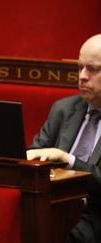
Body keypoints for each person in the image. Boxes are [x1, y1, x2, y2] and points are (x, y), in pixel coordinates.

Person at [26, 33, 101, 243]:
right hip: (53, 210)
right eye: (80, 67)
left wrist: (68, 160)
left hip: (94, 218)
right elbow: (35, 153)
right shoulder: (64, 109)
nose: (83, 76)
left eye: (94, 69)